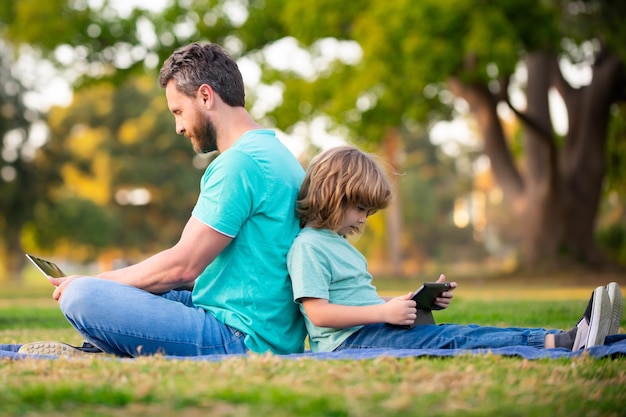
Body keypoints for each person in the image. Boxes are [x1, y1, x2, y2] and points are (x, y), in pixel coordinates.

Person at [19, 42, 307, 357]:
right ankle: (101, 346)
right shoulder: (279, 155)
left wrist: (96, 282)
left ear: (206, 96)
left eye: (179, 111)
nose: (179, 127)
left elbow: (184, 267)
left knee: (82, 296)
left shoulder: (239, 164)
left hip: (240, 336)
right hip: (261, 325)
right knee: (144, 289)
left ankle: (101, 344)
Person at [287, 145, 622, 353]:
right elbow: (319, 313)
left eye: (368, 212)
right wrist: (382, 313)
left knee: (466, 332)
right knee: (458, 341)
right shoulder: (308, 248)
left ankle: (565, 337)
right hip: (353, 341)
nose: (363, 220)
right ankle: (561, 344)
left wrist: (408, 301)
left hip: (374, 329)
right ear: (334, 194)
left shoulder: (338, 245)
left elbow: (358, 301)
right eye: (360, 209)